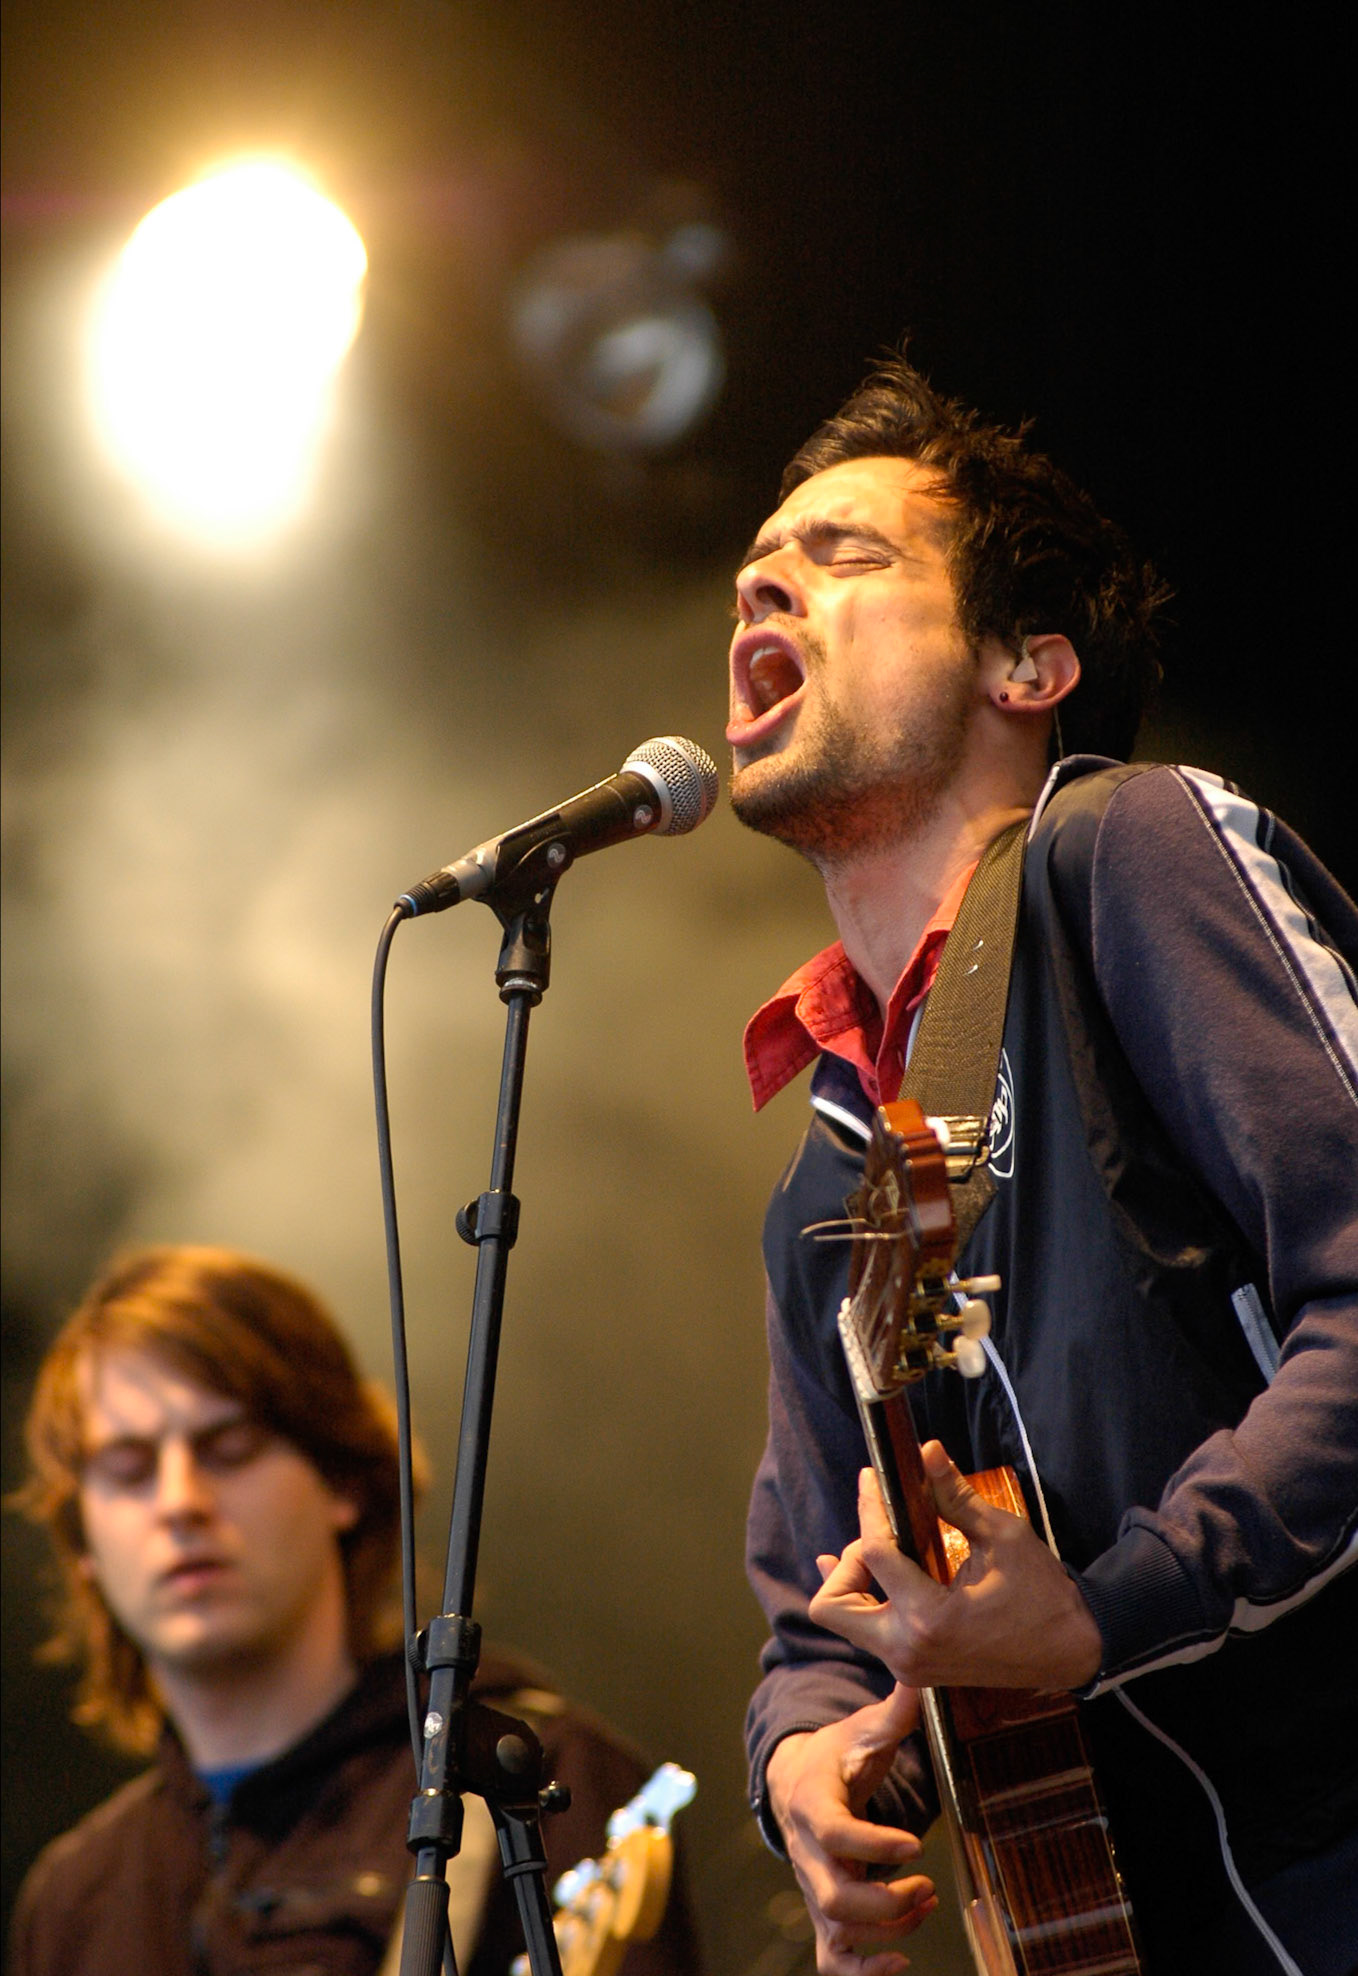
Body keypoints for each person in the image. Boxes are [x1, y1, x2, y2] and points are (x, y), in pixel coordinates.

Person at [732, 353, 1357, 1976]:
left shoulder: (1123, 854)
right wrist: (803, 1765)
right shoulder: (832, 1172)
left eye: (846, 553)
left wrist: (1117, 1601)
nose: (765, 579)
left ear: (1027, 664)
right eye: (760, 561)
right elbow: (814, 1612)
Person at [10, 1244, 700, 1976]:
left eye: (230, 1447)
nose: (180, 1501)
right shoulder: (72, 1904)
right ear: (81, 1542)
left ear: (341, 1479)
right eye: (127, 1469)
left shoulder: (528, 1784)